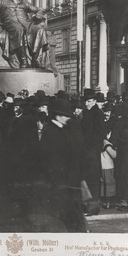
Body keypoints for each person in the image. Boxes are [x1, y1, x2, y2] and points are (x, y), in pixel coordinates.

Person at [39, 98, 86, 232]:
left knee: (72, 216)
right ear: (58, 116)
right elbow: (48, 160)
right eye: (65, 115)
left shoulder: (64, 130)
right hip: (59, 183)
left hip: (70, 181)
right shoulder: (51, 132)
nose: (67, 118)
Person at [0, 0, 50, 69]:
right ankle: (23, 60)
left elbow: (38, 9)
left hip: (27, 24)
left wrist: (39, 12)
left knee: (40, 30)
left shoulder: (24, 2)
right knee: (19, 30)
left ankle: (36, 59)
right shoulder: (1, 1)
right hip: (11, 24)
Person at [80, 88, 106, 216]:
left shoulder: (97, 113)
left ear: (95, 101)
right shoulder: (86, 112)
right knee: (87, 178)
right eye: (86, 101)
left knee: (93, 179)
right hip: (86, 151)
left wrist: (91, 148)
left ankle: (94, 206)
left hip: (92, 152)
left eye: (89, 101)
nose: (87, 104)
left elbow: (100, 133)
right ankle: (88, 204)